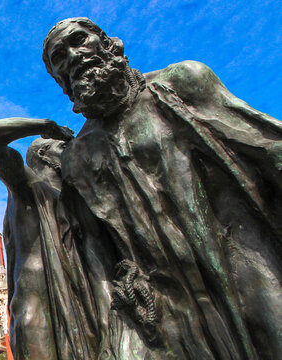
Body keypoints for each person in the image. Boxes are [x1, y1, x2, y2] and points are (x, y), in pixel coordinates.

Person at [43, 17, 282, 359]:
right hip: (160, 296)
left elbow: (269, 148)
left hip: (240, 259)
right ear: (60, 81)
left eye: (79, 40)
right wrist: (112, 328)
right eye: (59, 58)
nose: (73, 56)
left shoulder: (181, 83)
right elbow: (96, 253)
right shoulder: (78, 156)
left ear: (108, 44)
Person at [0, 118, 98, 359]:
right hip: (40, 317)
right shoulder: (26, 185)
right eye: (62, 148)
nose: (71, 152)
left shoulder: (73, 201)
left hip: (82, 309)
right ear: (44, 155)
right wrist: (44, 126)